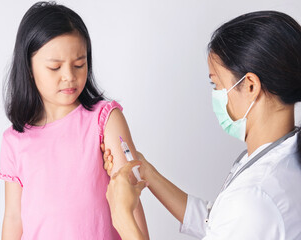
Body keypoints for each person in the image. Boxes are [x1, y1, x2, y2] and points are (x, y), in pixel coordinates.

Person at [103, 10, 301, 240]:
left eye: (216, 84)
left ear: (250, 86)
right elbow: (216, 223)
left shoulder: (255, 199)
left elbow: (236, 218)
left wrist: (122, 217)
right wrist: (148, 172)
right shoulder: (283, 158)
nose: (215, 95)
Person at [0, 2, 149, 239]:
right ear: (28, 67)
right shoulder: (14, 140)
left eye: (79, 64)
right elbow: (14, 217)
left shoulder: (105, 119)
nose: (69, 76)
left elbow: (130, 198)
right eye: (55, 67)